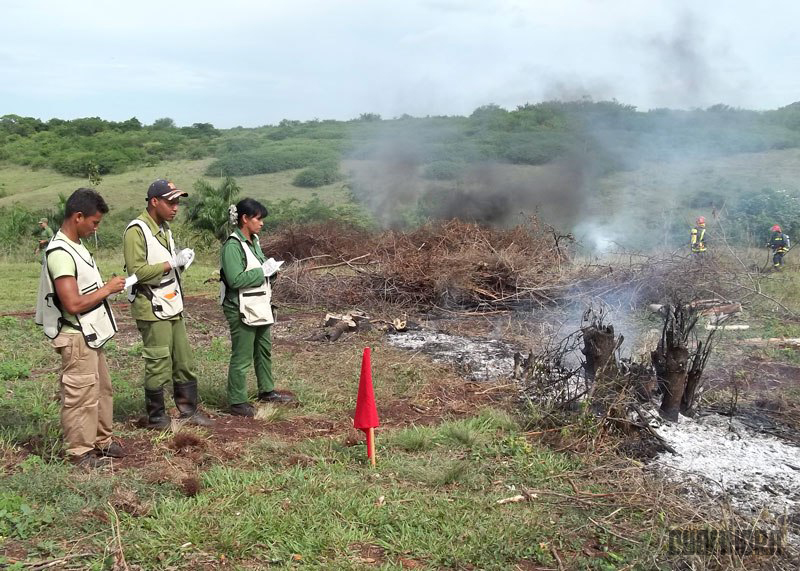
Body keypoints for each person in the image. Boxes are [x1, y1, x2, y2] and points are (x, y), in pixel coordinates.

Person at [34, 189, 126, 468]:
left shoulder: (76, 247)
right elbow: (72, 303)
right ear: (78, 217)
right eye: (94, 222)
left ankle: (101, 440)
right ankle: (79, 452)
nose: (96, 228)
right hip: (75, 336)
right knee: (80, 394)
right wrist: (107, 289)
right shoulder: (60, 253)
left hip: (90, 335)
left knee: (101, 390)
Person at [123, 179, 212, 429]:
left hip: (172, 302)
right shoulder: (137, 231)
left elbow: (165, 264)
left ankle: (189, 410)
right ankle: (157, 416)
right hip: (151, 305)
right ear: (154, 202)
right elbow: (137, 271)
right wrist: (171, 264)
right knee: (158, 361)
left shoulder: (164, 229)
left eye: (177, 203)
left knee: (184, 360)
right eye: (170, 202)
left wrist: (180, 263)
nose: (175, 208)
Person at [220, 198, 297, 417]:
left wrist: (271, 271)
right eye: (258, 218)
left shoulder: (254, 241)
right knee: (242, 354)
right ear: (245, 218)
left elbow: (259, 267)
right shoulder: (232, 247)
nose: (262, 223)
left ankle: (267, 390)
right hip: (241, 307)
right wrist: (262, 272)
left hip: (259, 304)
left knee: (263, 350)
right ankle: (237, 401)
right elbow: (235, 280)